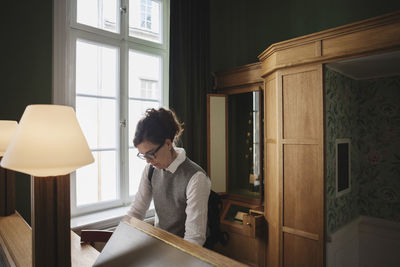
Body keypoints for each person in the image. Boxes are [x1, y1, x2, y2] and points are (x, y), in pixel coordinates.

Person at [124, 107, 211, 246]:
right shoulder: (150, 170)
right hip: (161, 245)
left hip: (187, 251)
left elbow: (194, 238)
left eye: (150, 154)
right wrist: (119, 240)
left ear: (168, 144)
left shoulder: (196, 178)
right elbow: (137, 211)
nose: (147, 160)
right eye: (143, 155)